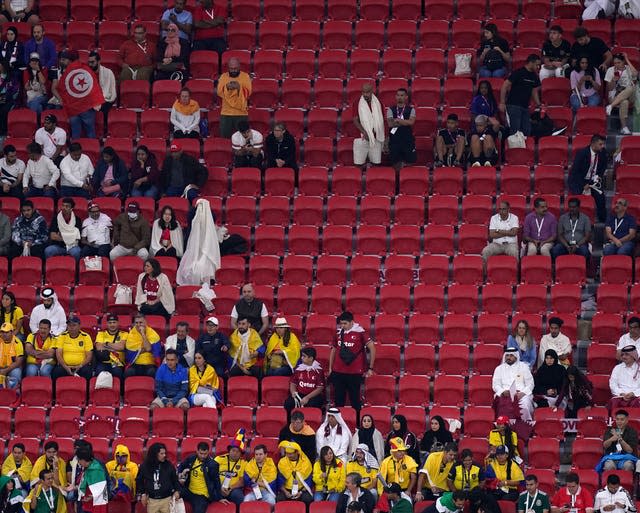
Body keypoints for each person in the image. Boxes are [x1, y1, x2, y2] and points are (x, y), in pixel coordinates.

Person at [330, 310, 376, 412]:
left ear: (352, 322)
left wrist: (370, 368)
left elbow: (372, 348)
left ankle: (357, 424)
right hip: (338, 372)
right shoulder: (338, 333)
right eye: (341, 323)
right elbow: (333, 349)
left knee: (355, 400)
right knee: (338, 401)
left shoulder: (360, 333)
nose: (342, 326)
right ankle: (340, 425)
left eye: (345, 323)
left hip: (354, 373)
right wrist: (330, 368)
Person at [176, 197, 220, 285]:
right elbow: (189, 217)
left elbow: (213, 218)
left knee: (204, 266)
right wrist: (196, 207)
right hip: (193, 248)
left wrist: (206, 208)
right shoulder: (192, 217)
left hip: (205, 250)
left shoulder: (209, 224)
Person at [568, 134, 607, 223]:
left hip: (594, 179)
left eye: (603, 144)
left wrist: (598, 177)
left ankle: (603, 222)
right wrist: (583, 184)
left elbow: (603, 166)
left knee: (601, 198)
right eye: (600, 144)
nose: (602, 146)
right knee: (578, 201)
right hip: (580, 180)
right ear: (593, 144)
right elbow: (575, 172)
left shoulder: (603, 152)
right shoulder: (582, 153)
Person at [499, 54, 542, 136]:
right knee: (515, 131)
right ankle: (514, 148)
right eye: (537, 64)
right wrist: (502, 102)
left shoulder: (534, 76)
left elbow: (534, 91)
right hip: (513, 105)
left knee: (527, 131)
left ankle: (524, 148)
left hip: (525, 107)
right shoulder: (518, 73)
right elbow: (505, 85)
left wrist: (538, 104)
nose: (538, 67)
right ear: (531, 63)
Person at [177, 441, 221, 513]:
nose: (203, 456)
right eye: (201, 453)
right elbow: (181, 466)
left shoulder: (212, 465)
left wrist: (220, 498)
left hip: (201, 495)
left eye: (205, 454)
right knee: (171, 496)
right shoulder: (191, 458)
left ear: (208, 452)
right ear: (197, 451)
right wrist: (180, 473)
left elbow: (216, 481)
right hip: (188, 491)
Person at [492, 347, 535, 422]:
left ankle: (524, 427)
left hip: (521, 394)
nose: (509, 357)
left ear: (516, 356)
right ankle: (504, 428)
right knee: (503, 406)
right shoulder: (499, 368)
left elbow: (530, 383)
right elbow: (495, 384)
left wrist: (523, 393)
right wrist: (502, 391)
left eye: (511, 355)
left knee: (524, 406)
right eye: (507, 355)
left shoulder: (523, 367)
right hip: (505, 394)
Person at [136, 443, 180, 513]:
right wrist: (143, 494)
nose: (164, 455)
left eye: (165, 453)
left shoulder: (169, 465)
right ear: (154, 454)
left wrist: (177, 490)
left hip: (167, 499)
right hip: (152, 500)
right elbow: (139, 480)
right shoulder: (145, 466)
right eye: (161, 454)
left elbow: (175, 480)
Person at [51, 315, 93, 382]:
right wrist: (66, 367)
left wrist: (80, 366)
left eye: (74, 325)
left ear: (79, 326)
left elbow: (89, 356)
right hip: (65, 366)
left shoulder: (86, 336)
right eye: (69, 325)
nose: (71, 327)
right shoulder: (62, 336)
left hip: (81, 366)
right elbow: (58, 354)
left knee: (87, 371)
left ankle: (87, 392)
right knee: (56, 372)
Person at [284, 345, 325, 414]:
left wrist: (307, 398)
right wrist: (293, 392)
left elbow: (320, 388)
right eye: (302, 356)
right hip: (300, 394)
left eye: (304, 356)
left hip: (313, 396)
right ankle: (289, 423)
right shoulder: (298, 369)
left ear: (311, 358)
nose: (301, 358)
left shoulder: (318, 371)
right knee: (288, 403)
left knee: (312, 404)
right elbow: (293, 383)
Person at [352, 82, 385, 169]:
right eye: (363, 92)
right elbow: (355, 120)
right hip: (361, 137)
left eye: (367, 92)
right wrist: (364, 132)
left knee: (376, 164)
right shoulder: (357, 102)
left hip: (376, 136)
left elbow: (382, 120)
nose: (365, 94)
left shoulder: (378, 103)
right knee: (358, 164)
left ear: (372, 91)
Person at [217, 57, 251, 138]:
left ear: (239, 67)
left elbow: (248, 92)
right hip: (226, 113)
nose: (234, 70)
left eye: (235, 68)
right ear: (228, 67)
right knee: (225, 139)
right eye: (231, 69)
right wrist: (227, 87)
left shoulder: (245, 76)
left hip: (241, 113)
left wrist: (239, 87)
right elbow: (219, 92)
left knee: (243, 139)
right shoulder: (223, 77)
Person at [604, 53, 637, 135]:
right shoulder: (611, 70)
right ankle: (624, 127)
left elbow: (635, 74)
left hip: (630, 95)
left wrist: (627, 59)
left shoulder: (629, 68)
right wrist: (613, 80)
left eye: (619, 62)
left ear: (623, 62)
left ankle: (610, 106)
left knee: (631, 87)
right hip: (615, 95)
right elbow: (609, 89)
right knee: (624, 102)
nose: (617, 65)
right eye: (615, 63)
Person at [385, 88, 416, 172]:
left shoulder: (411, 109)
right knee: (395, 164)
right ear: (395, 97)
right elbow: (390, 124)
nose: (400, 97)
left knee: (409, 163)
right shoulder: (390, 109)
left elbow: (411, 122)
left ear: (406, 97)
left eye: (402, 95)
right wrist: (405, 122)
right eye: (398, 95)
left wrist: (398, 120)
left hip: (407, 139)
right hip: (395, 140)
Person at [124, 314, 162, 378]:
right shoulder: (131, 334)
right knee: (128, 372)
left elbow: (148, 348)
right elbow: (148, 349)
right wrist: (147, 349)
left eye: (141, 322)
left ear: (145, 322)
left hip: (150, 363)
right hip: (135, 363)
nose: (138, 325)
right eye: (136, 323)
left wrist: (143, 334)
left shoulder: (152, 333)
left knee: (152, 372)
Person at [276, 440, 313, 505]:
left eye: (290, 454)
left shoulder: (305, 462)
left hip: (301, 490)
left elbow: (308, 481)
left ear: (297, 452)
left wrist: (300, 492)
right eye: (286, 453)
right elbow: (279, 481)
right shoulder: (282, 462)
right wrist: (285, 492)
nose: (288, 455)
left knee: (308, 499)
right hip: (287, 490)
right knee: (279, 498)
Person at [214, 436, 247, 506]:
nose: (235, 453)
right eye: (233, 450)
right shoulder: (219, 459)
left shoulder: (243, 463)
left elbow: (241, 482)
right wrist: (219, 487)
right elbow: (212, 476)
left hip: (233, 489)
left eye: (238, 451)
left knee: (238, 496)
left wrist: (229, 488)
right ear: (229, 451)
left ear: (241, 454)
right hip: (218, 486)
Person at [94, 313, 126, 380]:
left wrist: (106, 344)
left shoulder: (124, 334)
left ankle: (119, 390)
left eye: (114, 322)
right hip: (104, 362)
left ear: (118, 323)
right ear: (107, 324)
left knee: (117, 372)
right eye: (110, 323)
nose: (112, 325)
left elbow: (121, 347)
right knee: (99, 372)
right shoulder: (101, 334)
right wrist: (114, 347)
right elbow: (99, 347)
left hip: (117, 363)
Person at [76, 446, 109, 513]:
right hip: (87, 502)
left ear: (83, 460)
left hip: (96, 505)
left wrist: (92, 497)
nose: (78, 462)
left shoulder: (96, 470)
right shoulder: (87, 467)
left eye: (78, 459)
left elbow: (102, 489)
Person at [609, 346, 640, 410]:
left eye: (627, 355)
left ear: (633, 356)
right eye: (622, 355)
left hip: (637, 396)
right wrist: (621, 393)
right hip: (620, 396)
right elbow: (612, 384)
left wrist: (633, 394)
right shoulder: (617, 368)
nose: (623, 357)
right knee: (613, 403)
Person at [87, 51, 117, 118]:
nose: (90, 64)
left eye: (92, 62)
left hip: (106, 98)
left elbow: (110, 91)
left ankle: (104, 127)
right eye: (89, 62)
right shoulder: (86, 73)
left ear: (99, 61)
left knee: (104, 108)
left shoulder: (108, 72)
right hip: (91, 98)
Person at [0, 322, 23, 388]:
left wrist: (5, 370)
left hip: (11, 368)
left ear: (12, 332)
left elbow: (18, 362)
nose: (4, 334)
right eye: (2, 332)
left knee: (16, 372)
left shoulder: (17, 343)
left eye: (7, 332)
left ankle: (14, 392)